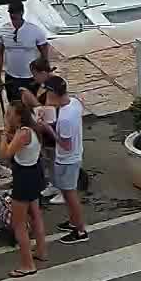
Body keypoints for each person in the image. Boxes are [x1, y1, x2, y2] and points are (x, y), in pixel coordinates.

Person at [0, 101, 52, 276]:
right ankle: (41, 250)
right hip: (35, 172)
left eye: (10, 114)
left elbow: (5, 154)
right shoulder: (32, 128)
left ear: (19, 116)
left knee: (18, 223)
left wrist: (4, 135)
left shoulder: (22, 134)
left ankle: (27, 264)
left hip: (24, 177)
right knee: (35, 213)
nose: (7, 117)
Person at [42, 75, 90, 244]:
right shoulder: (74, 103)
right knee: (68, 193)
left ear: (53, 93)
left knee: (70, 195)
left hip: (67, 159)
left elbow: (65, 145)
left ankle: (80, 230)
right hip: (74, 155)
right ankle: (73, 222)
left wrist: (48, 128)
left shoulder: (65, 119)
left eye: (47, 92)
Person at [0, 0, 54, 110]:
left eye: (15, 12)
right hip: (11, 76)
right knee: (14, 105)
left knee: (31, 105)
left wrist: (44, 75)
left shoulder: (35, 31)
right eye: (11, 12)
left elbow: (44, 55)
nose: (13, 15)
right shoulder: (3, 31)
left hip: (30, 77)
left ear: (22, 13)